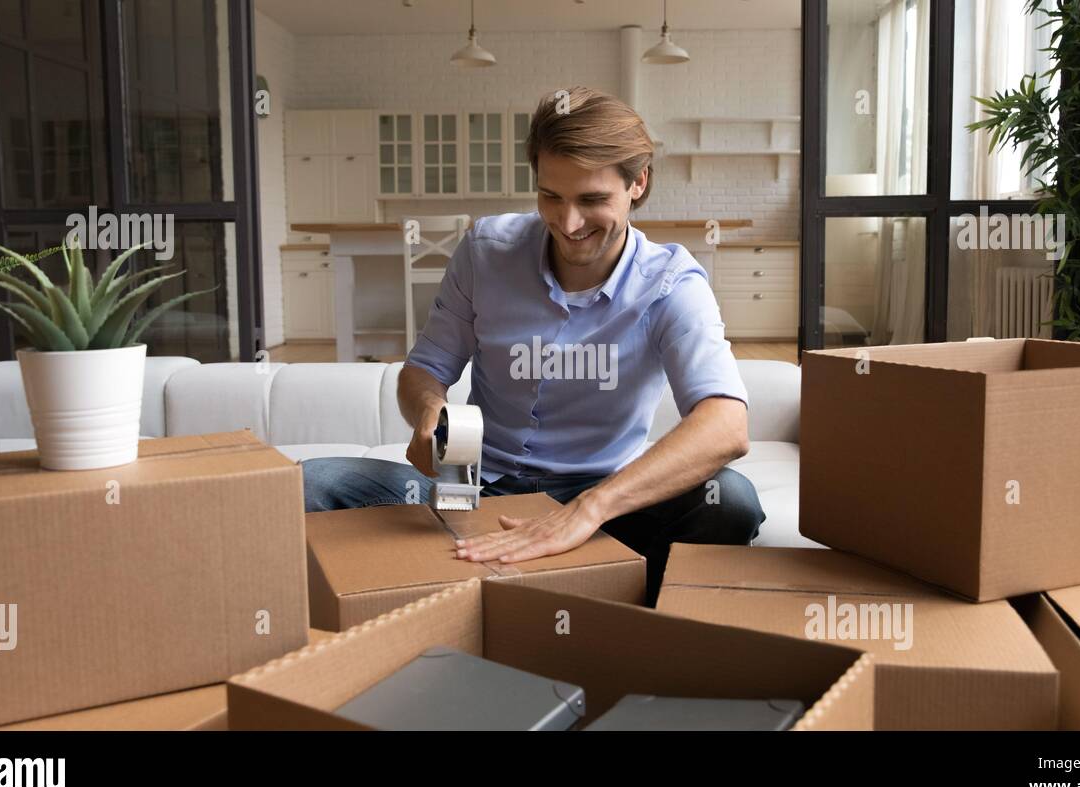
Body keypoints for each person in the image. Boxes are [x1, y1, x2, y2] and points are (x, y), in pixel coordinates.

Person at [303, 86, 764, 603]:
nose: (568, 224)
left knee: (730, 501)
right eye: (552, 197)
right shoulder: (485, 251)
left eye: (592, 200)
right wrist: (430, 412)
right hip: (474, 490)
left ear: (638, 183)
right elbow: (424, 368)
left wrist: (587, 510)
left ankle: (640, 632)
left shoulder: (672, 284)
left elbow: (726, 424)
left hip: (606, 503)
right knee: (307, 486)